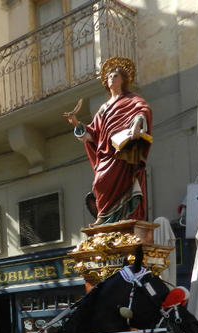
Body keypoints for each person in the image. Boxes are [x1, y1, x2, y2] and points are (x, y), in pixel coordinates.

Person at [63, 56, 152, 225]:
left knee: (119, 182)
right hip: (105, 153)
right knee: (99, 182)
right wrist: (76, 123)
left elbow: (143, 110)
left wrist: (137, 124)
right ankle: (104, 217)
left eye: (115, 76)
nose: (112, 78)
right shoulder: (103, 108)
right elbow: (92, 133)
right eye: (109, 76)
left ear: (123, 80)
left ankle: (124, 217)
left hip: (121, 152)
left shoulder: (131, 99)